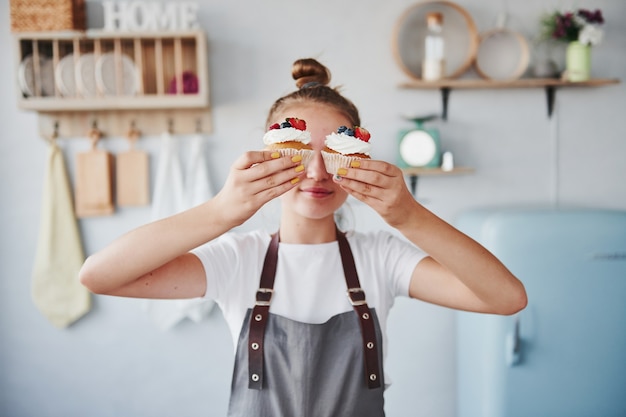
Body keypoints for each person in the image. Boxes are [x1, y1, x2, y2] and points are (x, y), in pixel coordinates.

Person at [79, 58, 527, 416]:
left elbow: (506, 298)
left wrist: (410, 217)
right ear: (268, 158)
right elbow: (99, 276)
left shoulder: (381, 259)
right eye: (297, 155)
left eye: (333, 153)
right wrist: (221, 212)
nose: (316, 173)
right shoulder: (238, 259)